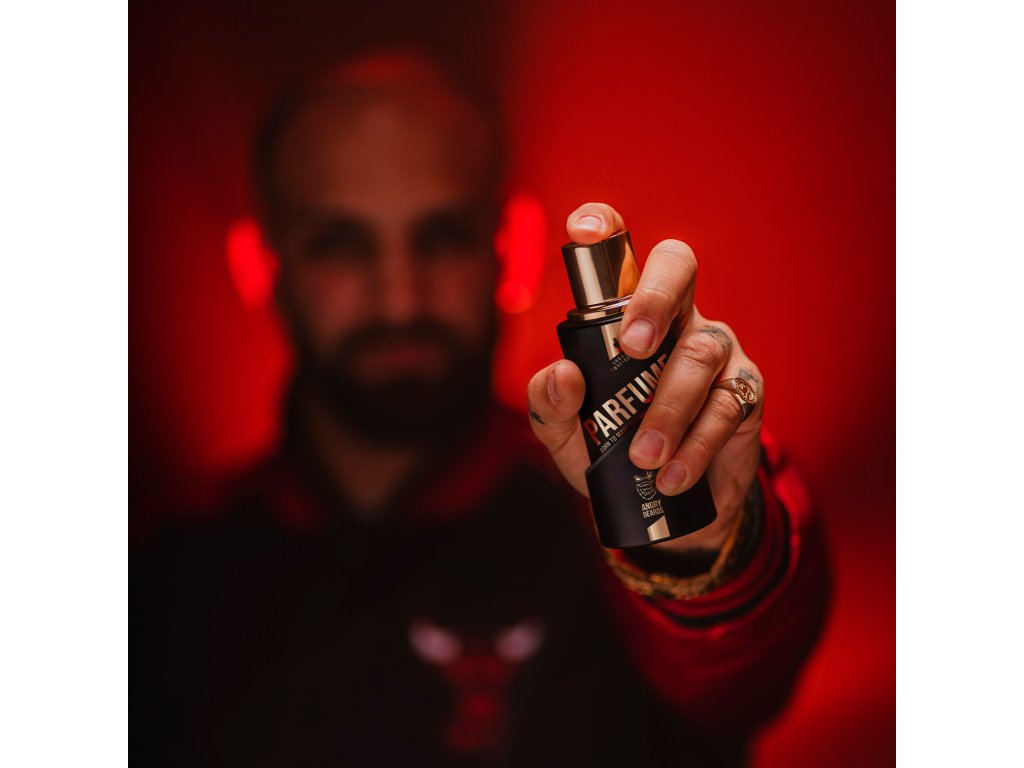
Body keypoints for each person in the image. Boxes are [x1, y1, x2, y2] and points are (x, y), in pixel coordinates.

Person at [134, 52, 830, 767]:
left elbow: (742, 679)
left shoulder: (600, 519)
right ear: (262, 265)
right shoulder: (159, 574)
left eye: (444, 236)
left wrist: (712, 544)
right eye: (339, 245)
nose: (400, 299)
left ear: (512, 250)